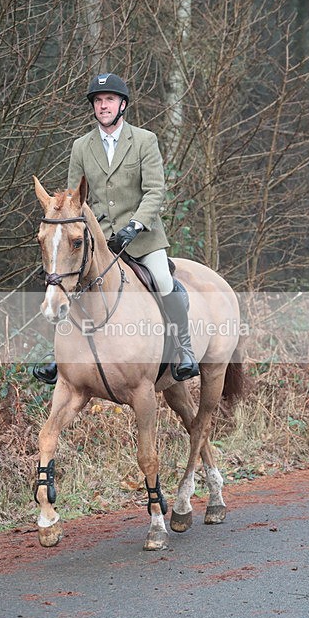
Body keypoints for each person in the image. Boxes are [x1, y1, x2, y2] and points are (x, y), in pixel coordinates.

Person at [33, 73, 199, 385]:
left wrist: (136, 224)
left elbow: (155, 191)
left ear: (122, 105)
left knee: (163, 279)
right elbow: (72, 198)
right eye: (98, 101)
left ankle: (183, 349)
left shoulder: (145, 141)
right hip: (98, 241)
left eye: (109, 99)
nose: (103, 105)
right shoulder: (81, 146)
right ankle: (57, 358)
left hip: (142, 239)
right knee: (63, 280)